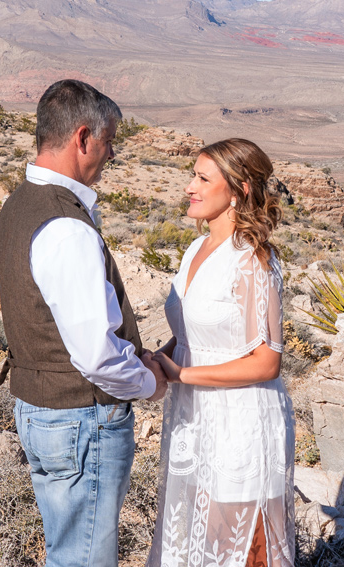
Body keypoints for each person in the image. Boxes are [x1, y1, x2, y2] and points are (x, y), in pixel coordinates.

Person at [0, 79, 169, 567]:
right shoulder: (66, 226)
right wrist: (146, 382)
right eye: (109, 143)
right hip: (82, 418)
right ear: (83, 137)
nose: (110, 155)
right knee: (85, 557)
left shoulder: (17, 206)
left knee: (67, 552)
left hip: (40, 407)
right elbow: (94, 353)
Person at [147, 139, 295, 567]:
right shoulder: (195, 250)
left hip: (241, 419)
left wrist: (180, 375)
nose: (190, 186)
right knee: (195, 536)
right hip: (193, 416)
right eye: (193, 175)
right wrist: (158, 358)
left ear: (239, 190)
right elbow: (190, 334)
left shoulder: (253, 260)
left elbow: (267, 362)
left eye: (202, 178)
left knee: (243, 546)